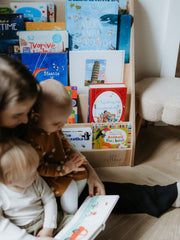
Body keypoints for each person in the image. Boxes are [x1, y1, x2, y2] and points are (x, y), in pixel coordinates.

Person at [0, 55, 180, 238]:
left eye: (28, 112)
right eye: (18, 115)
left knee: (98, 194)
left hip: (47, 187)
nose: (25, 119)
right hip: (25, 212)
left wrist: (90, 173)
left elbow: (62, 143)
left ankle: (166, 194)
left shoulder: (28, 121)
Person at [24, 80, 89, 215]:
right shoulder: (33, 139)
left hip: (63, 165)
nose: (62, 126)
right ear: (36, 117)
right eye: (57, 123)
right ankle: (69, 215)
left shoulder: (53, 126)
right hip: (47, 175)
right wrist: (65, 168)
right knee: (70, 188)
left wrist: (72, 155)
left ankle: (63, 204)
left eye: (64, 121)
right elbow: (40, 169)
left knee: (83, 174)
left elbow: (64, 141)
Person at [0, 137, 57, 240]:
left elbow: (49, 200)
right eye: (31, 174)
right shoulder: (2, 192)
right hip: (17, 229)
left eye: (36, 169)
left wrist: (48, 228)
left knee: (70, 220)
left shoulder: (36, 180)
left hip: (43, 219)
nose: (37, 174)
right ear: (10, 181)